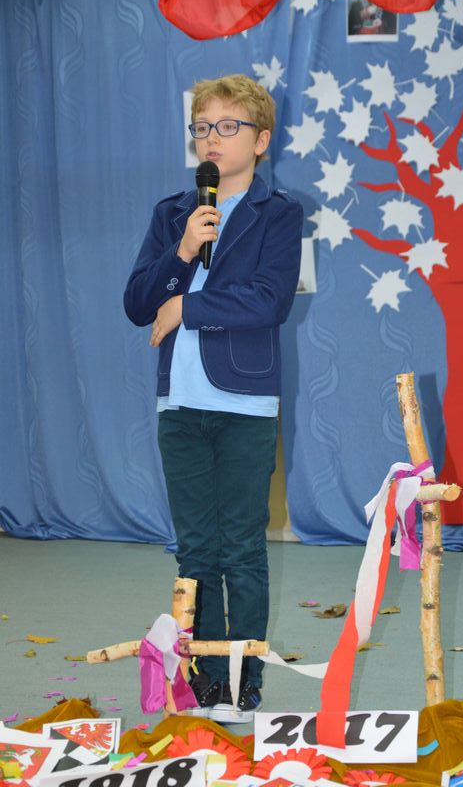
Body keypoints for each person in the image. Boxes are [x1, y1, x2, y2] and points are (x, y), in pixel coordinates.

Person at [124, 74, 303, 723]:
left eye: (228, 127)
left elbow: (269, 301)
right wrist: (182, 252)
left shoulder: (278, 212)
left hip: (245, 403)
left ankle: (242, 684)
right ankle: (204, 683)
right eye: (202, 127)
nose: (212, 139)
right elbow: (137, 302)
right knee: (196, 550)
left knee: (241, 548)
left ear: (261, 140)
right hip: (180, 404)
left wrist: (187, 307)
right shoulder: (173, 213)